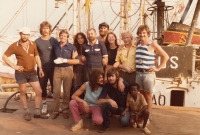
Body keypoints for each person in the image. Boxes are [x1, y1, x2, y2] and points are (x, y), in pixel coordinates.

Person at [2, 27, 48, 121]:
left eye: (27, 34)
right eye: (23, 34)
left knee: (39, 91)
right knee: (23, 91)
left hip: (32, 72)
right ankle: (26, 112)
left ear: (29, 35)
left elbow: (37, 56)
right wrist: (14, 66)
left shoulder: (33, 44)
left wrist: (40, 69)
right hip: (20, 73)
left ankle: (37, 111)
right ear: (20, 34)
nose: (25, 36)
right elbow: (4, 56)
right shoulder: (15, 45)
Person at [135, 25, 169, 119]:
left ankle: (148, 116)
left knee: (149, 95)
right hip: (138, 73)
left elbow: (166, 56)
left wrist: (158, 68)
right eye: (140, 33)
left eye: (144, 33)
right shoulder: (138, 43)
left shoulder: (152, 44)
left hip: (148, 74)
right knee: (141, 95)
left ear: (148, 34)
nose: (142, 34)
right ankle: (143, 113)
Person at [51, 30, 79, 119]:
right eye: (61, 35)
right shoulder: (55, 46)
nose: (62, 37)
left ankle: (65, 110)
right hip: (57, 69)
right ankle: (55, 110)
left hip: (68, 69)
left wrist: (65, 60)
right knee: (56, 91)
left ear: (67, 37)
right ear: (59, 37)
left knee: (67, 92)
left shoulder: (71, 47)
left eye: (64, 36)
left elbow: (76, 61)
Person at [35, 21, 58, 114]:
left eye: (47, 28)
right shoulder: (37, 41)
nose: (45, 30)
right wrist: (39, 68)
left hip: (54, 68)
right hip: (42, 68)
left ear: (50, 29)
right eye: (43, 28)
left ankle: (56, 106)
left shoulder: (54, 41)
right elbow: (35, 56)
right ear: (41, 29)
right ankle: (44, 105)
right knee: (42, 88)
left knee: (55, 88)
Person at [98, 68, 129, 133]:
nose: (111, 78)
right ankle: (105, 125)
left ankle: (131, 117)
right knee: (105, 106)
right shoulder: (107, 86)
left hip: (125, 108)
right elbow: (99, 101)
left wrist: (121, 80)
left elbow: (134, 90)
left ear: (117, 77)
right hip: (115, 107)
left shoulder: (124, 84)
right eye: (109, 76)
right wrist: (109, 100)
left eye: (112, 76)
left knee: (124, 122)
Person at [71, 32, 88, 99]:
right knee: (76, 85)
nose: (80, 40)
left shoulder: (87, 46)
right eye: (78, 38)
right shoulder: (74, 48)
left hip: (86, 68)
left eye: (81, 38)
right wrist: (73, 57)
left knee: (85, 85)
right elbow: (72, 59)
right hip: (77, 68)